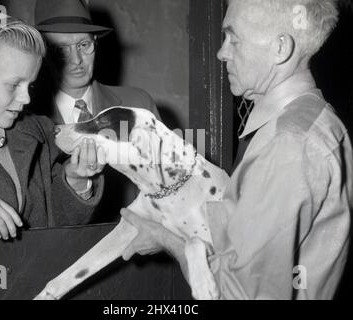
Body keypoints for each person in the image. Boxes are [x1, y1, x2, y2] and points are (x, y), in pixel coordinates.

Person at [121, 0, 353, 299]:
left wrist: (165, 239)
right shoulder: (318, 121)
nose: (221, 52)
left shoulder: (288, 144)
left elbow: (237, 293)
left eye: (234, 38)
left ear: (281, 48)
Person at [0, 10, 104, 240]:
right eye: (14, 85)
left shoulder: (38, 132)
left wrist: (76, 181)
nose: (26, 99)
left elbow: (57, 226)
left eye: (30, 86)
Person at [30, 0, 161, 221]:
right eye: (61, 49)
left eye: (83, 45)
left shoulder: (137, 104)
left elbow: (165, 185)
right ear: (42, 54)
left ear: (95, 44)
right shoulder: (25, 118)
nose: (76, 60)